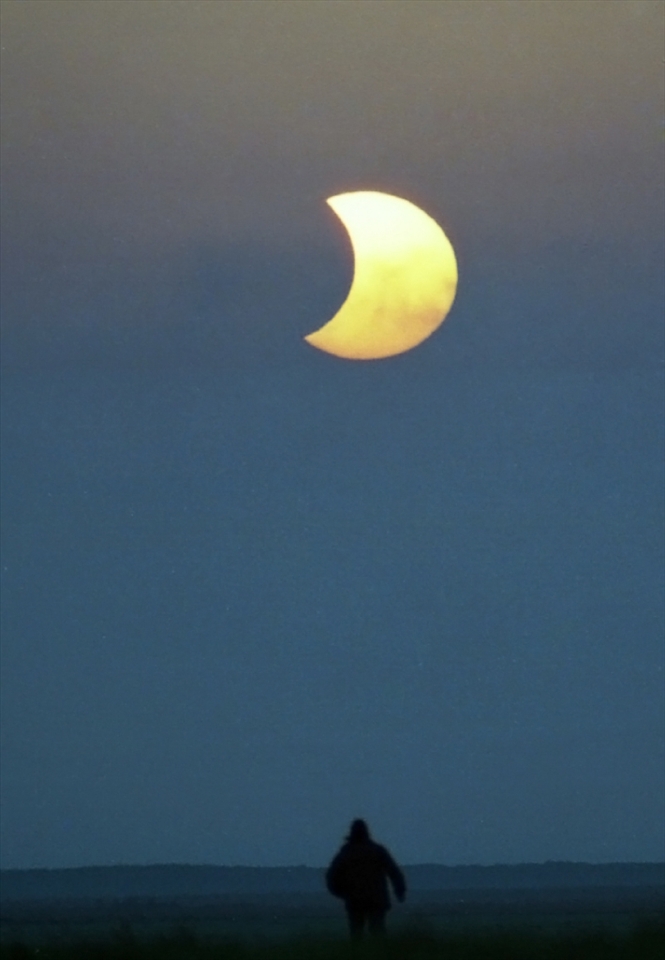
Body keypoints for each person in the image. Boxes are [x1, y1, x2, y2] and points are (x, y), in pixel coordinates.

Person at [325, 818, 406, 939]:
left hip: (355, 899)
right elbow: (394, 872)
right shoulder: (378, 850)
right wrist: (400, 891)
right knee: (378, 931)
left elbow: (332, 876)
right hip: (377, 899)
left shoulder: (347, 852)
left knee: (356, 933)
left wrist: (341, 893)